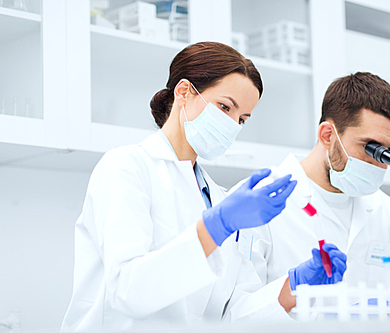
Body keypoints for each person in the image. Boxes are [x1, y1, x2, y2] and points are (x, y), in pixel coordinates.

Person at [61, 42, 346, 332]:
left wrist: (293, 287)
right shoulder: (126, 167)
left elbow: (229, 317)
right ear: (184, 92)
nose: (233, 125)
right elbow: (128, 291)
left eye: (242, 119)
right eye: (225, 107)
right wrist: (217, 226)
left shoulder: (218, 197)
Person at [227, 72, 390, 320]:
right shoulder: (257, 202)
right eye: (370, 148)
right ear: (328, 135)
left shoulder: (383, 209)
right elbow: (231, 316)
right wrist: (290, 290)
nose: (380, 164)